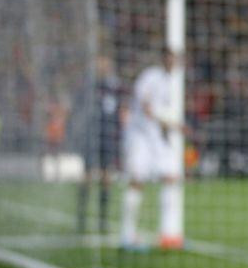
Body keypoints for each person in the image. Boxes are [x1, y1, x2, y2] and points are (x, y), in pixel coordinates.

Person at [120, 48, 185, 251]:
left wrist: (172, 125)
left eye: (176, 58)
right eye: (170, 57)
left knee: (172, 176)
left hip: (155, 138)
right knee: (137, 181)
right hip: (139, 136)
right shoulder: (150, 76)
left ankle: (167, 234)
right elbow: (146, 108)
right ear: (163, 59)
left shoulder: (169, 83)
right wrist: (172, 124)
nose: (172, 62)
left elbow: (156, 114)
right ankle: (127, 235)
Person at [77, 55, 123, 235]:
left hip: (108, 137)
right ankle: (81, 219)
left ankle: (102, 221)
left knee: (106, 178)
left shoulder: (115, 87)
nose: (102, 67)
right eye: (100, 63)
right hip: (91, 135)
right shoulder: (89, 85)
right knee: (87, 176)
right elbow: (79, 108)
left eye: (106, 63)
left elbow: (118, 112)